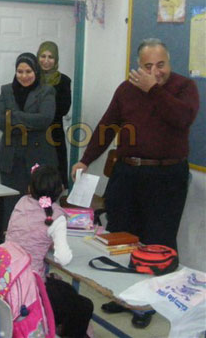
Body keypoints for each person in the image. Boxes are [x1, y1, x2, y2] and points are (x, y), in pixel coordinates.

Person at [71, 38, 199, 328]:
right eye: (148, 66)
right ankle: (124, 297)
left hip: (166, 177)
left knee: (157, 242)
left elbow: (182, 118)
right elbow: (107, 127)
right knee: (122, 238)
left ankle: (147, 305)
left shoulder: (184, 87)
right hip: (127, 174)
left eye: (161, 65)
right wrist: (86, 160)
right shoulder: (127, 89)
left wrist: (153, 89)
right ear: (138, 66)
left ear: (169, 62)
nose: (155, 72)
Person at [6, 164, 93, 338]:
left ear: (30, 188)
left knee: (68, 291)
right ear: (60, 190)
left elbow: (30, 231)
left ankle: (58, 328)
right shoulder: (56, 216)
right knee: (84, 305)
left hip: (9, 280)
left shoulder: (22, 202)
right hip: (32, 291)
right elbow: (63, 258)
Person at [0, 52, 57, 243]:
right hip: (11, 158)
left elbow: (45, 118)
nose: (24, 76)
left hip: (38, 157)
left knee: (40, 204)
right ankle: (6, 245)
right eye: (19, 71)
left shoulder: (46, 91)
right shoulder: (7, 90)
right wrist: (27, 122)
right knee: (11, 204)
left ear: (35, 71)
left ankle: (37, 244)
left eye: (28, 71)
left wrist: (13, 116)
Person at [37, 41, 72, 189]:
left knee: (52, 181)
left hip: (53, 134)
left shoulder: (64, 81)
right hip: (33, 134)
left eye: (50, 57)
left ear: (56, 59)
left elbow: (63, 109)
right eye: (43, 56)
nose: (46, 61)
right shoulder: (30, 78)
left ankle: (50, 204)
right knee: (33, 178)